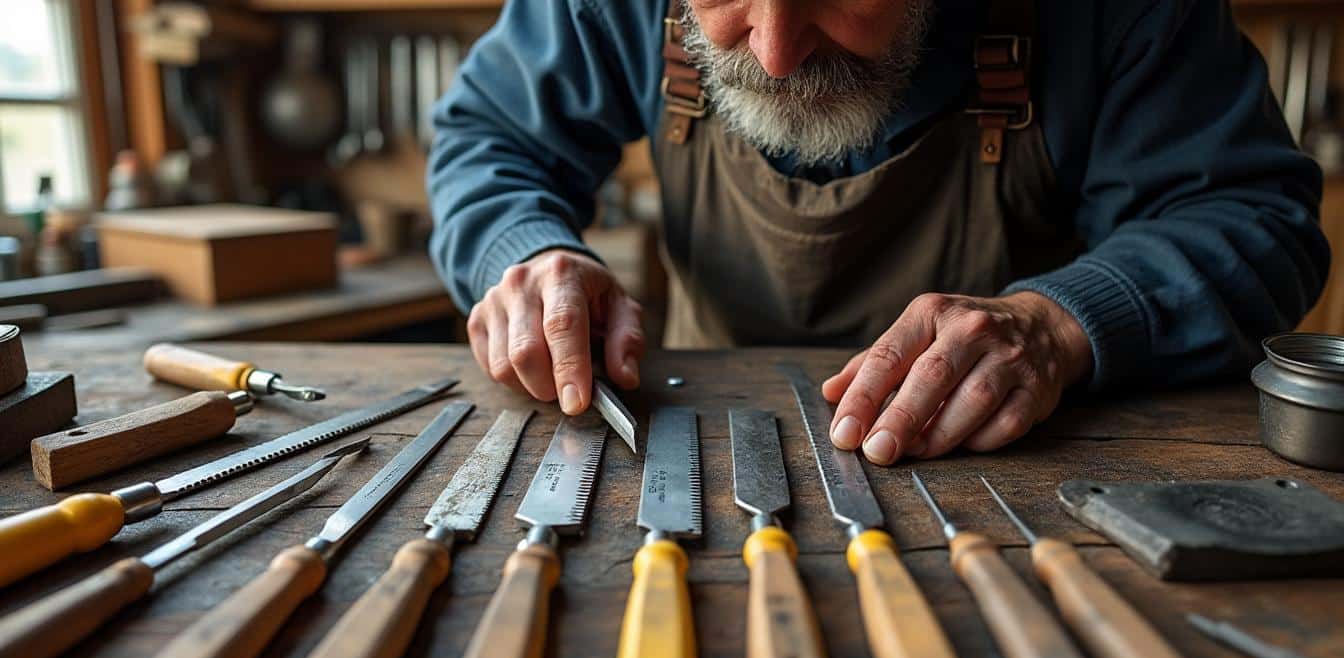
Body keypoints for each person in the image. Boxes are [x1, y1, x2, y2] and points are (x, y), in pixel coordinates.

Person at [428, 0, 1329, 465]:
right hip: (684, 438)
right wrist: (527, 251)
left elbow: (1251, 221)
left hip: (1032, 464)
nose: (775, 53)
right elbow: (491, 141)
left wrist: (1058, 327)